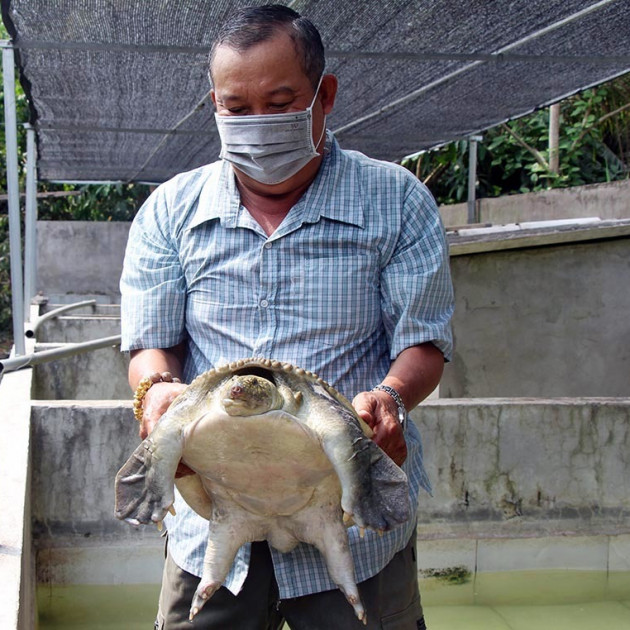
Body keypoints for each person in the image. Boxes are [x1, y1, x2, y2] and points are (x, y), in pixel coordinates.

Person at [120, 4, 453, 629]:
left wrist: (390, 397)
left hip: (353, 517)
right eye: (236, 108)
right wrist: (156, 391)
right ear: (214, 104)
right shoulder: (170, 210)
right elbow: (151, 344)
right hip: (216, 510)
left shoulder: (396, 200)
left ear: (323, 95)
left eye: (280, 101)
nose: (257, 123)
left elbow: (424, 343)